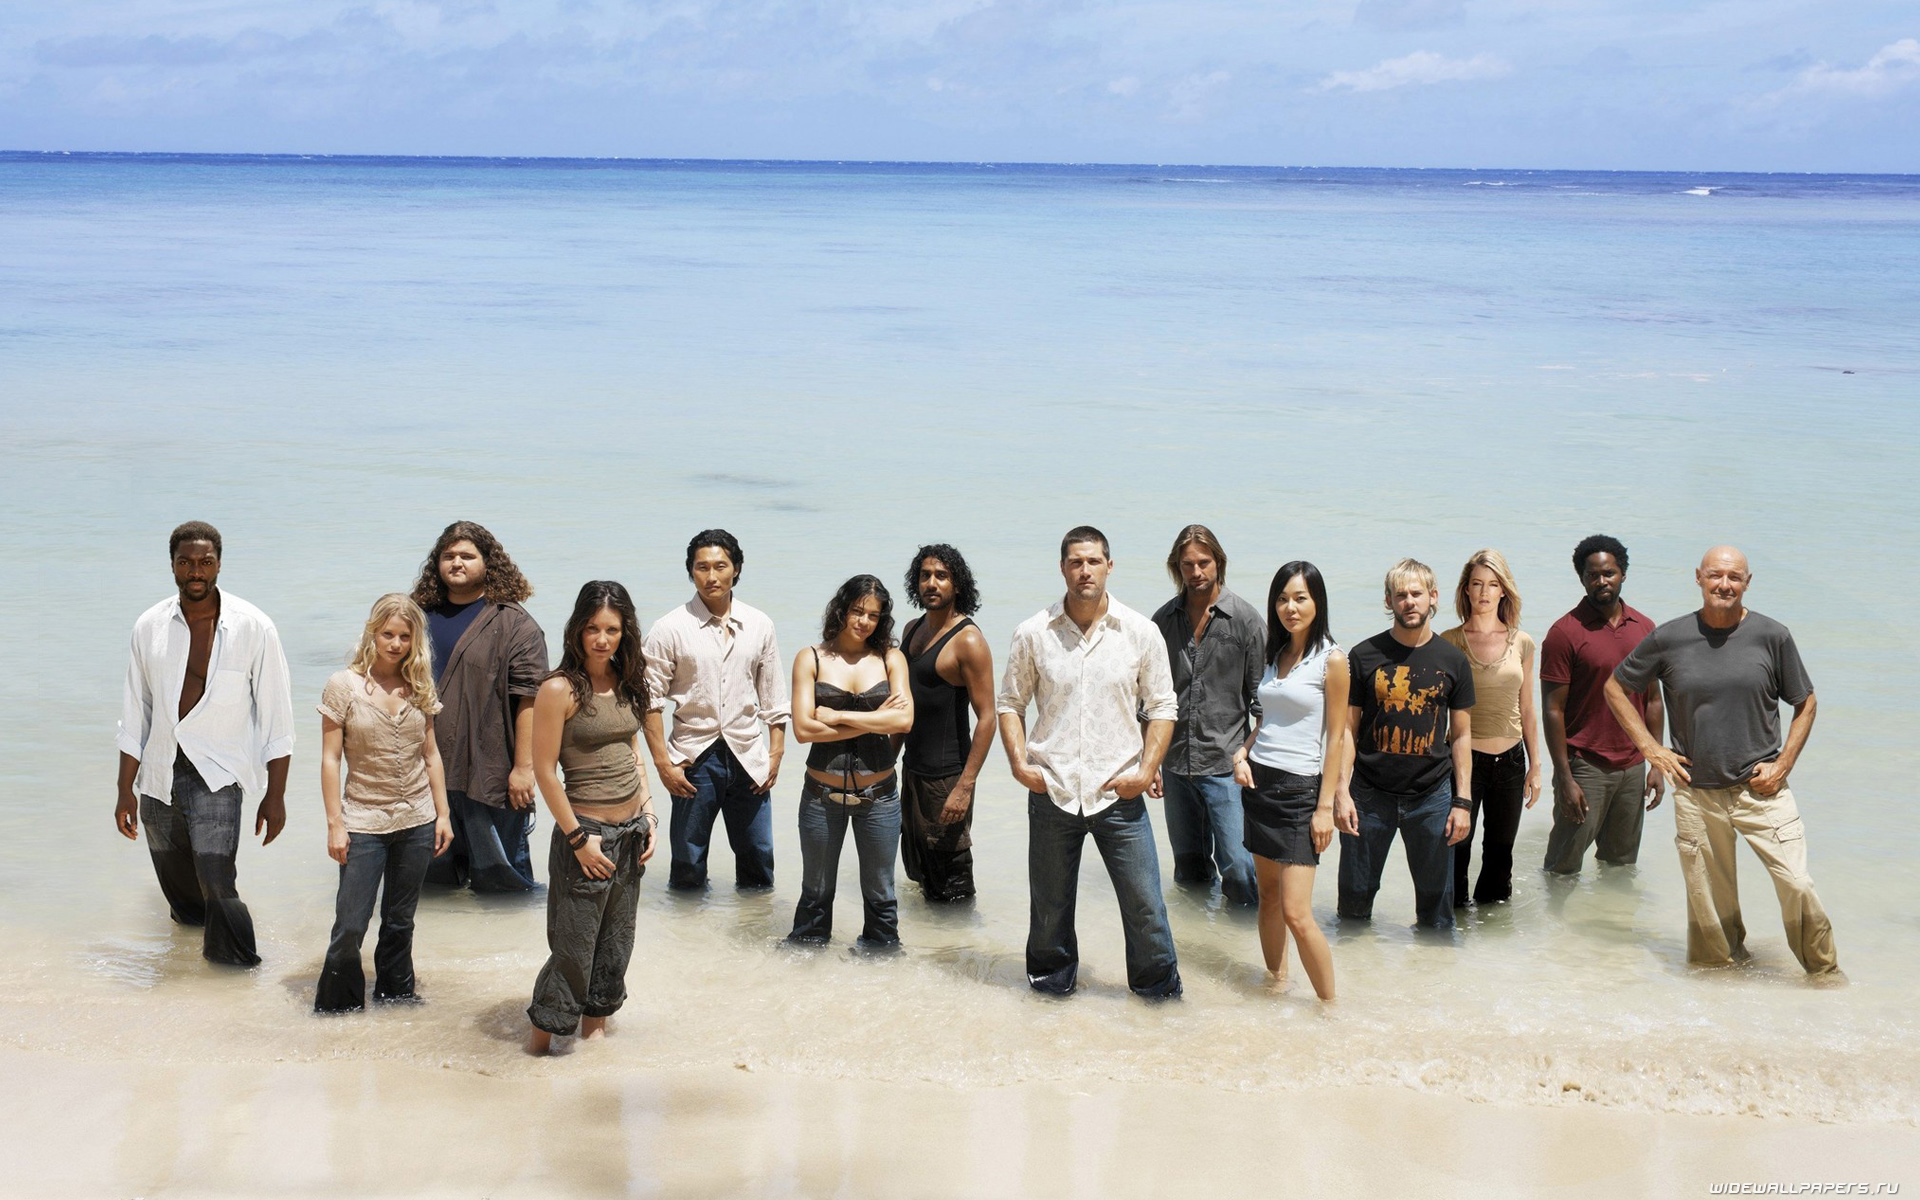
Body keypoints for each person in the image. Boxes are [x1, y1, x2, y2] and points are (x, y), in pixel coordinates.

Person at [1604, 547, 1837, 974]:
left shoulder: (1773, 636)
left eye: (1734, 577)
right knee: (1709, 909)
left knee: (1797, 883)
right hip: (1697, 794)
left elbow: (1806, 701)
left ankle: (1824, 976)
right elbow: (1615, 688)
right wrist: (1651, 750)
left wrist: (1784, 764)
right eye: (1715, 575)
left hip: (1763, 790)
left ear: (1747, 582)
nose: (1724, 585)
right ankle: (1719, 991)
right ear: (1698, 577)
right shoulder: (1669, 638)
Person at [997, 526, 1182, 998]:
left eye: (1094, 561)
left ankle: (1159, 997)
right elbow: (1011, 703)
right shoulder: (1033, 632)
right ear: (1062, 568)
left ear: (1109, 566)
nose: (1085, 571)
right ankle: (1050, 993)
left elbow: (1163, 705)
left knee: (1145, 905)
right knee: (1049, 908)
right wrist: (1019, 764)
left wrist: (1146, 771)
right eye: (1076, 562)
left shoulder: (1140, 631)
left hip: (1119, 792)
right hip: (1052, 789)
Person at [114, 521, 294, 967]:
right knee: (181, 896)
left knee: (216, 878)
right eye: (186, 562)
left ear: (219, 564)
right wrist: (124, 790)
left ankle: (238, 970)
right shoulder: (149, 626)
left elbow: (277, 717)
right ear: (173, 565)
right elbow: (137, 711)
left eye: (205, 562)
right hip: (159, 772)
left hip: (217, 772)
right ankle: (193, 984)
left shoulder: (253, 626)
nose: (196, 571)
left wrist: (275, 795)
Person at [527, 581, 658, 1052]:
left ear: (625, 633)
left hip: (632, 833)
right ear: (577, 630)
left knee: (616, 946)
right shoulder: (558, 688)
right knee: (573, 950)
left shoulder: (627, 683)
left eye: (612, 630)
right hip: (588, 835)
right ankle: (535, 1051)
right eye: (592, 629)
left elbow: (632, 752)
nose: (602, 640)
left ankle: (595, 1049)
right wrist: (579, 840)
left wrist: (649, 813)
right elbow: (544, 772)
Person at [314, 594, 454, 1012]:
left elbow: (431, 755)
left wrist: (443, 815)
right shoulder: (343, 686)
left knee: (400, 921)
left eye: (404, 637)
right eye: (388, 634)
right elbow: (330, 759)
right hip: (362, 821)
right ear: (372, 633)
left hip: (417, 820)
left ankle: (396, 998)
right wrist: (335, 823)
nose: (395, 644)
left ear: (415, 641)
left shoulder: (420, 685)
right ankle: (337, 1009)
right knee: (351, 924)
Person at [643, 530, 788, 891]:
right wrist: (663, 764)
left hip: (748, 755)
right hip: (693, 759)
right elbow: (648, 700)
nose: (711, 576)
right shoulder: (669, 628)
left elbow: (774, 698)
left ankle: (755, 925)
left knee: (758, 858)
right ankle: (688, 926)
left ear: (736, 569)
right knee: (688, 864)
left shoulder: (760, 624)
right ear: (690, 571)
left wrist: (776, 754)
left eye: (720, 566)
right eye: (702, 567)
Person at [1337, 559, 1475, 930]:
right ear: (1388, 601)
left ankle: (1431, 967)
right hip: (1368, 795)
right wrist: (1340, 791)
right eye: (1400, 595)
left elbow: (1462, 735)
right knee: (1353, 906)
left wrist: (1462, 802)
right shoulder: (1363, 655)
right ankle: (1354, 966)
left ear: (1433, 597)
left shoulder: (1454, 660)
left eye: (1416, 594)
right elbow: (1347, 730)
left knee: (1436, 914)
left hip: (1432, 797)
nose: (1409, 602)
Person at [411, 521, 549, 893]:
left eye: (467, 556)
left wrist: (524, 768)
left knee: (504, 887)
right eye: (448, 556)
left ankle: (514, 934)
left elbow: (530, 699)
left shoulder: (515, 624)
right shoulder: (416, 617)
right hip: (424, 771)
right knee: (431, 888)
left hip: (490, 773)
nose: (456, 562)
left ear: (488, 562)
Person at [1233, 561, 1349, 1000]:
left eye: (1300, 598)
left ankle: (1329, 1008)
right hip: (1259, 784)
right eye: (1282, 599)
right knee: (1267, 897)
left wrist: (1325, 808)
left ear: (1318, 603)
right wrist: (1242, 751)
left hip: (1301, 792)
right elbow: (1269, 721)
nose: (1290, 607)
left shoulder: (1332, 660)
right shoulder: (1274, 654)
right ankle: (1276, 988)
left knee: (1298, 914)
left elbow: (1337, 738)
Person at [788, 576, 914, 947]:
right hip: (820, 795)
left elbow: (904, 721)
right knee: (815, 891)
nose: (864, 621)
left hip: (880, 797)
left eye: (873, 615)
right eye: (858, 611)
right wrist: (876, 719)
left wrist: (837, 716)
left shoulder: (891, 658)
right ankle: (804, 970)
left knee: (881, 893)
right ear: (841, 609)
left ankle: (881, 970)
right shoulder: (810, 657)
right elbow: (803, 730)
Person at [1148, 525, 1265, 907]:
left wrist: (1250, 759)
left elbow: (1264, 704)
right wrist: (1149, 762)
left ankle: (1244, 938)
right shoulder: (1162, 622)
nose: (1196, 572)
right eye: (1188, 565)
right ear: (1176, 568)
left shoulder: (1246, 620)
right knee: (1189, 871)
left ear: (1218, 563)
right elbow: (1149, 698)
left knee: (1240, 869)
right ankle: (1197, 938)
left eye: (1204, 562)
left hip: (1226, 765)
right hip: (1175, 765)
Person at [1540, 535, 1666, 876]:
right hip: (1585, 767)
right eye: (1592, 575)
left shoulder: (1645, 629)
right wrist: (1564, 778)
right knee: (1562, 870)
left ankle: (1609, 915)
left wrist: (1656, 764)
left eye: (1608, 573)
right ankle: (1553, 915)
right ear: (1582, 578)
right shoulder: (1564, 633)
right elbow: (1553, 710)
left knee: (1620, 870)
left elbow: (1654, 700)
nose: (1601, 581)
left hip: (1633, 768)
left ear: (1623, 573)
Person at [1438, 550, 1544, 906]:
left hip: (1511, 762)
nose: (1484, 592)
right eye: (1477, 584)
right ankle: (1452, 928)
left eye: (1493, 584)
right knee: (1456, 851)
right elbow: (1438, 711)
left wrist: (1536, 766)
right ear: (1466, 590)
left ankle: (1493, 936)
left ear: (1504, 590)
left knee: (1500, 858)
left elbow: (1527, 708)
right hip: (1463, 761)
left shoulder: (1522, 642)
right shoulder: (1448, 642)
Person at [896, 544, 996, 903]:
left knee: (952, 883)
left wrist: (964, 787)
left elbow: (988, 718)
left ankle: (959, 938)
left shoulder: (968, 641)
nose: (932, 583)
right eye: (925, 575)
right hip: (912, 771)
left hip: (946, 778)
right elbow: (903, 706)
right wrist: (885, 763)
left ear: (957, 584)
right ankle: (927, 938)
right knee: (918, 871)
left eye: (941, 576)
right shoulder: (912, 629)